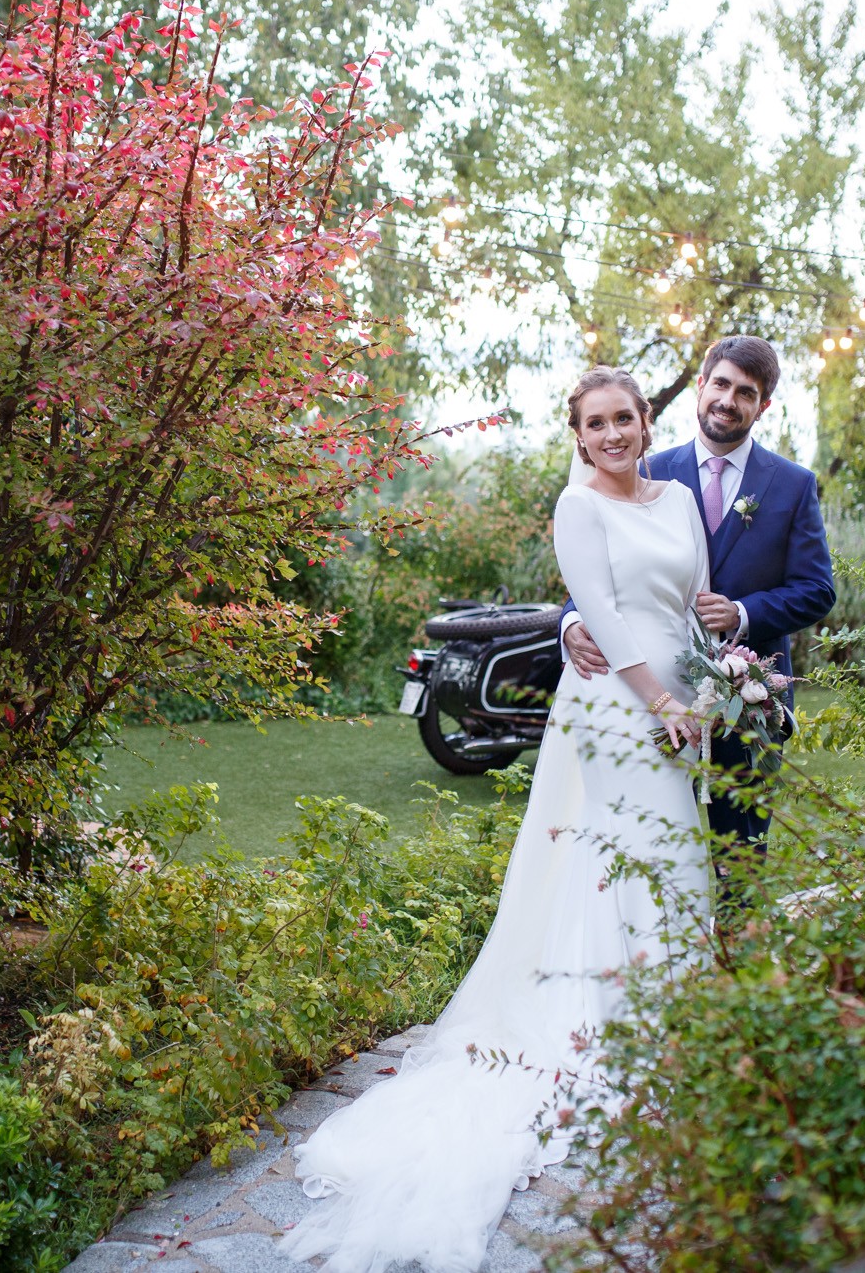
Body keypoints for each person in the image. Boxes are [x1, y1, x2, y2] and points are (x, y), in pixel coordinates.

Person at [279, 366, 717, 1273]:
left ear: (645, 420)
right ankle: (615, 1027)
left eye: (624, 419)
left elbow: (691, 602)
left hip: (687, 711)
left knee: (676, 858)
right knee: (624, 856)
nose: (612, 435)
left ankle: (682, 1017)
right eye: (595, 423)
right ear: (578, 431)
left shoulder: (679, 498)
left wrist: (707, 692)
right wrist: (657, 701)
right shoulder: (576, 506)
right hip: (616, 711)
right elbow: (598, 610)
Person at [560, 335, 835, 898]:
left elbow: (817, 589)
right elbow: (594, 579)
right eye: (721, 384)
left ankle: (734, 968)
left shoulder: (792, 484)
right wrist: (569, 625)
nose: (729, 400)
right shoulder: (636, 464)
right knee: (648, 846)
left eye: (746, 393)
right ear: (702, 387)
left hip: (746, 700)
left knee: (740, 858)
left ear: (763, 405)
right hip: (645, 699)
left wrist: (741, 612)